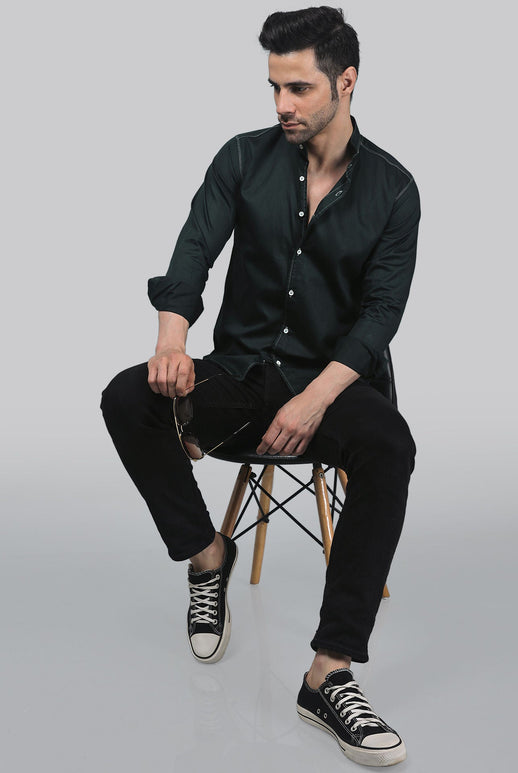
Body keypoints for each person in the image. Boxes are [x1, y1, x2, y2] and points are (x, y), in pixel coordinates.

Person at [101, 6, 420, 767]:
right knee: (126, 397)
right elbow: (193, 250)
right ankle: (206, 554)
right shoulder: (243, 157)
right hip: (242, 373)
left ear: (346, 83)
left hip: (333, 381)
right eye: (274, 86)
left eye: (300, 88)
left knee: (390, 445)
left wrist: (315, 400)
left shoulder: (394, 190)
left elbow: (380, 315)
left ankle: (328, 670)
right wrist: (171, 339)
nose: (282, 104)